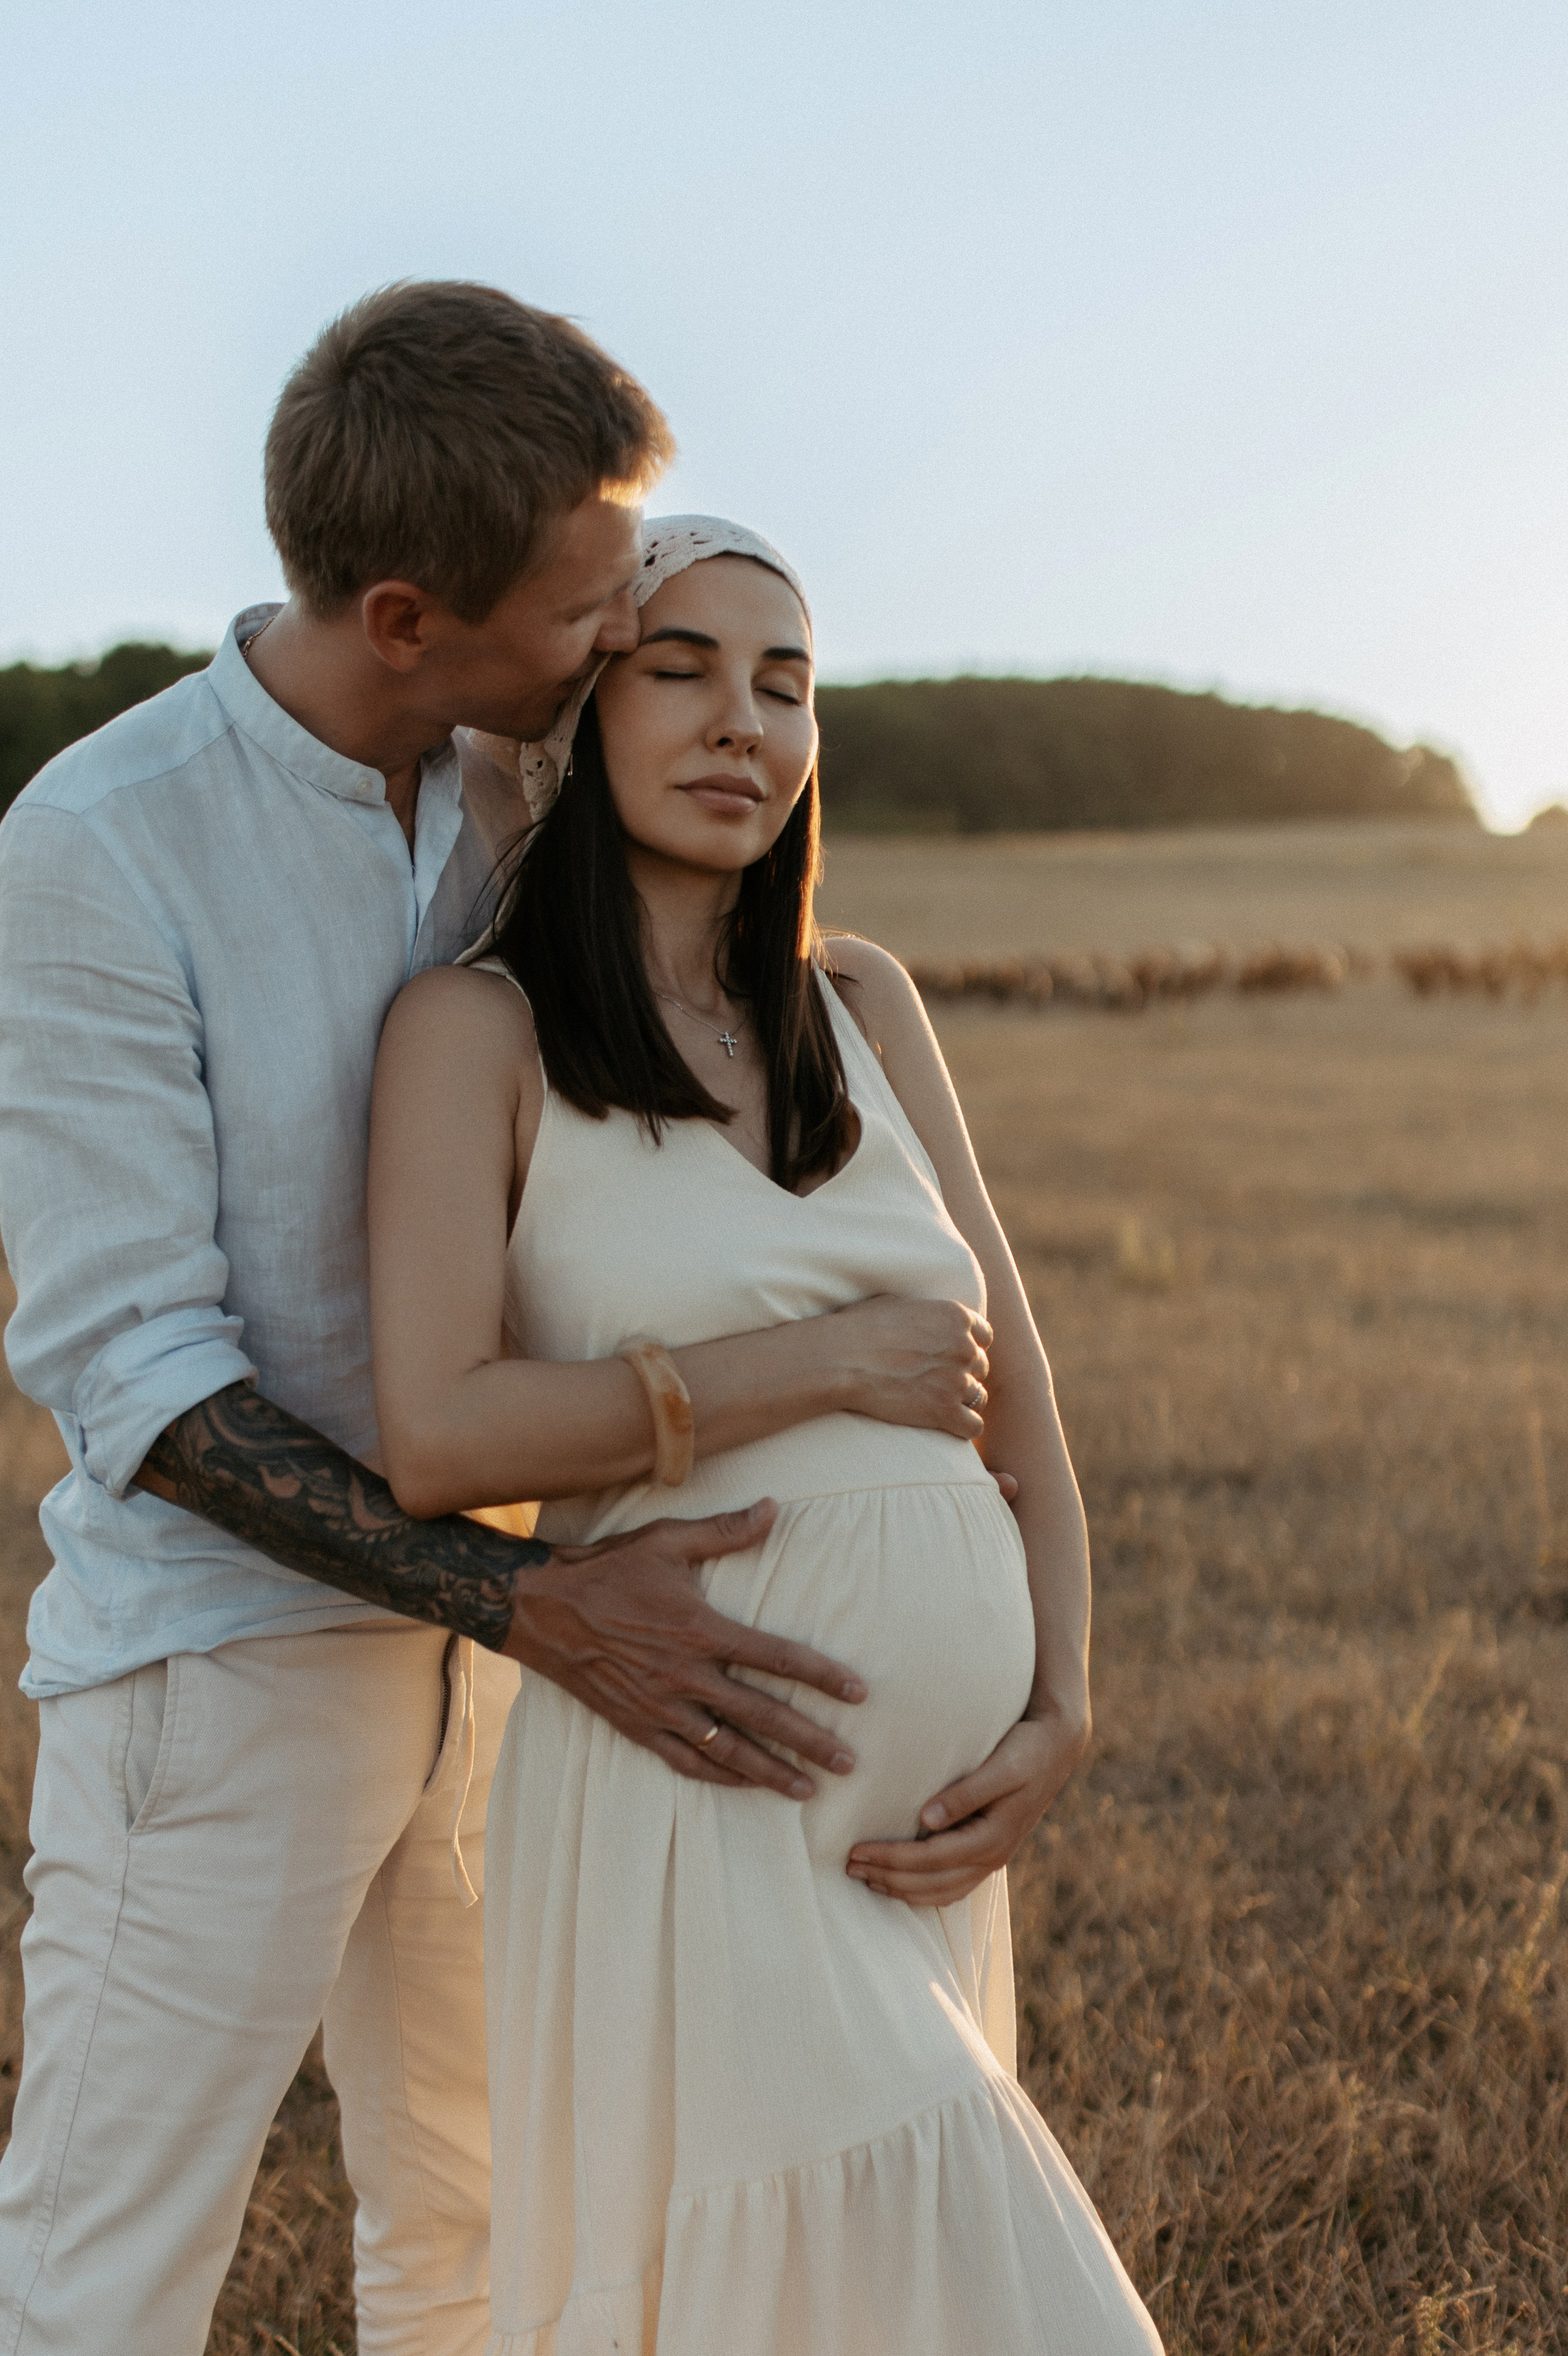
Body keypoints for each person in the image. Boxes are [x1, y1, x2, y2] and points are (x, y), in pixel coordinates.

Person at [0, 291, 991, 2356]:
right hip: (222, 1674)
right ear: (401, 615)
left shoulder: (503, 795)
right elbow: (149, 1390)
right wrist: (533, 1605)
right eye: (584, 611)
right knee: (106, 2272)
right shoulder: (97, 850)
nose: (618, 628)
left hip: (518, 1673)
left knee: (474, 2234)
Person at [369, 517, 1164, 2352]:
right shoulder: (472, 1031)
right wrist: (821, 1368)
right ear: (581, 709)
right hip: (700, 1765)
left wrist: (1064, 1699)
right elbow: (436, 1434)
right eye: (685, 668)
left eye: (787, 684)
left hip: (920, 1819)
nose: (748, 722)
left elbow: (1012, 1389)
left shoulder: (858, 1002)